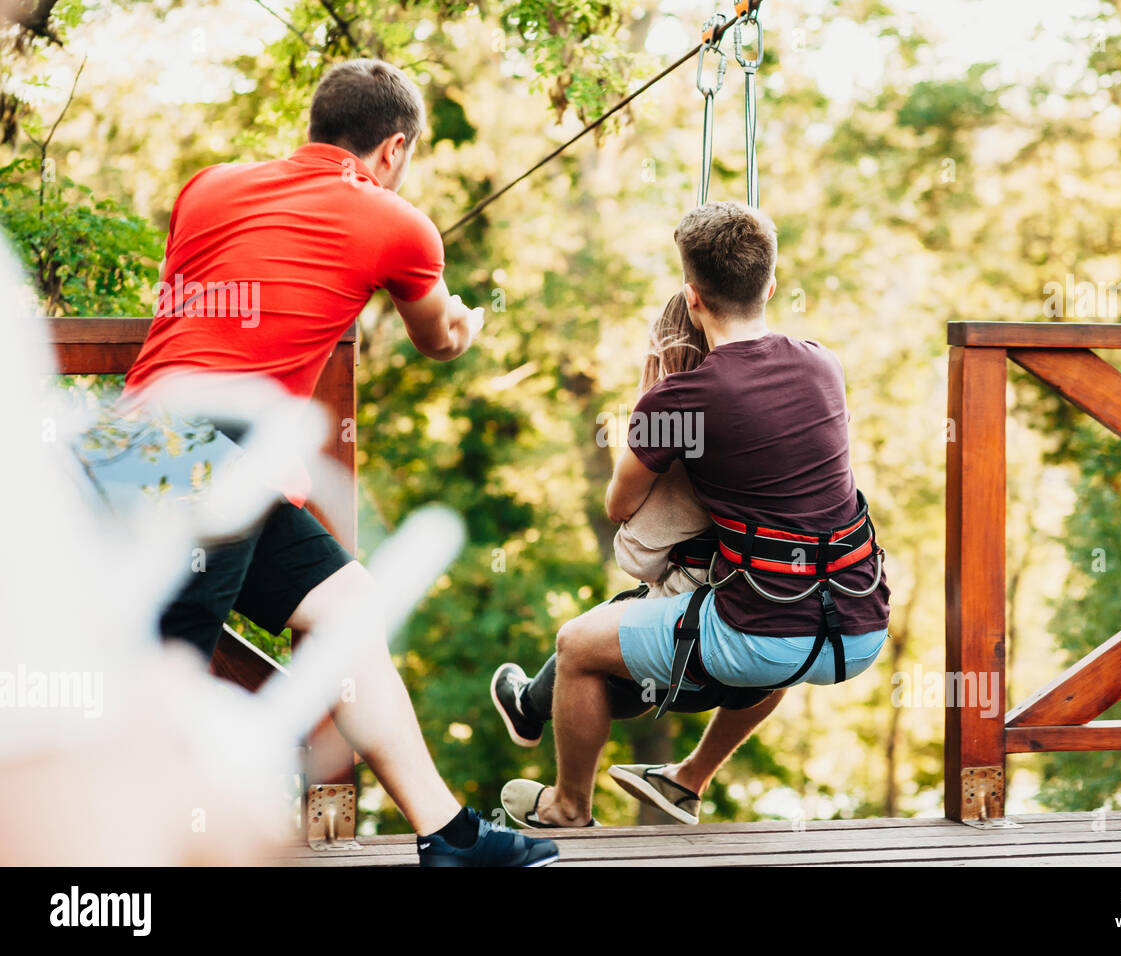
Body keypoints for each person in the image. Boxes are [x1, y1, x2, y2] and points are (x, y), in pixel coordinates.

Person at [121, 58, 556, 867]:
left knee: (348, 609)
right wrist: (465, 319)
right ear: (393, 150)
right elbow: (440, 340)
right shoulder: (396, 222)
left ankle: (449, 836)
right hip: (211, 459)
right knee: (163, 678)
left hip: (145, 446)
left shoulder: (208, 186)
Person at [496, 201, 891, 829]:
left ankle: (569, 805)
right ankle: (687, 780)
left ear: (693, 297)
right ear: (771, 284)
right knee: (785, 606)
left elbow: (619, 505)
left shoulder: (678, 399)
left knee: (576, 645)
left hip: (762, 634)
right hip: (859, 627)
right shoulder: (824, 364)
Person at [490, 293, 787, 825]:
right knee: (787, 631)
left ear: (663, 356)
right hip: (772, 644)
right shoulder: (785, 425)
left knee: (585, 647)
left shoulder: (675, 428)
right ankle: (689, 778)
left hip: (689, 658)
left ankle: (563, 791)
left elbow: (636, 551)